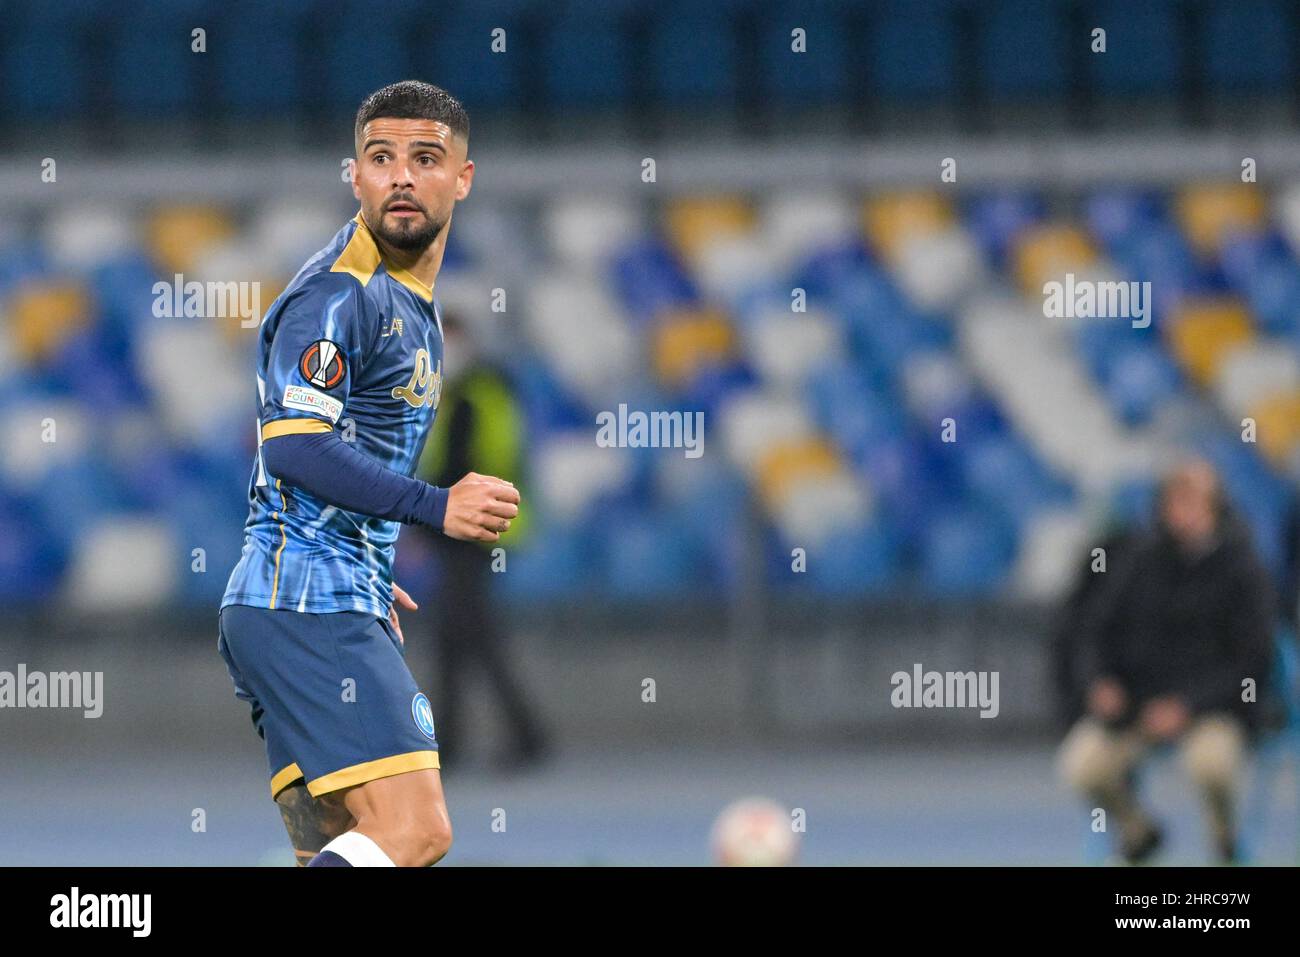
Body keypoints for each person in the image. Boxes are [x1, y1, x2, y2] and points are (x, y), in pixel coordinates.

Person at [218, 81, 520, 867]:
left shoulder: (410, 301)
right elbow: (292, 444)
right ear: (354, 175)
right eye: (381, 158)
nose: (402, 177)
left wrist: (361, 543)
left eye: (426, 158)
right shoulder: (338, 292)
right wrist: (434, 505)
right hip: (305, 600)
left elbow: (326, 449)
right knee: (417, 829)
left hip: (310, 590)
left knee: (342, 846)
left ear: (463, 177)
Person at [1056, 459, 1273, 864]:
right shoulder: (1139, 562)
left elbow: (1250, 663)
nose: (1183, 513)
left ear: (1215, 508)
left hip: (1211, 712)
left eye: (1194, 502)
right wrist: (1100, 682)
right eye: (1176, 501)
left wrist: (1188, 705)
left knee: (1212, 764)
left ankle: (1223, 835)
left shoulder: (1243, 571)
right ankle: (1138, 830)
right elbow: (1096, 632)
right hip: (1139, 710)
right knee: (1082, 763)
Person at [416, 311, 550, 770]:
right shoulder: (458, 396)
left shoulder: (479, 396)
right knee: (460, 638)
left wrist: (421, 511)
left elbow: (471, 465)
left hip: (478, 530)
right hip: (460, 530)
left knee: (470, 637)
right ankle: (461, 741)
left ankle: (521, 737)